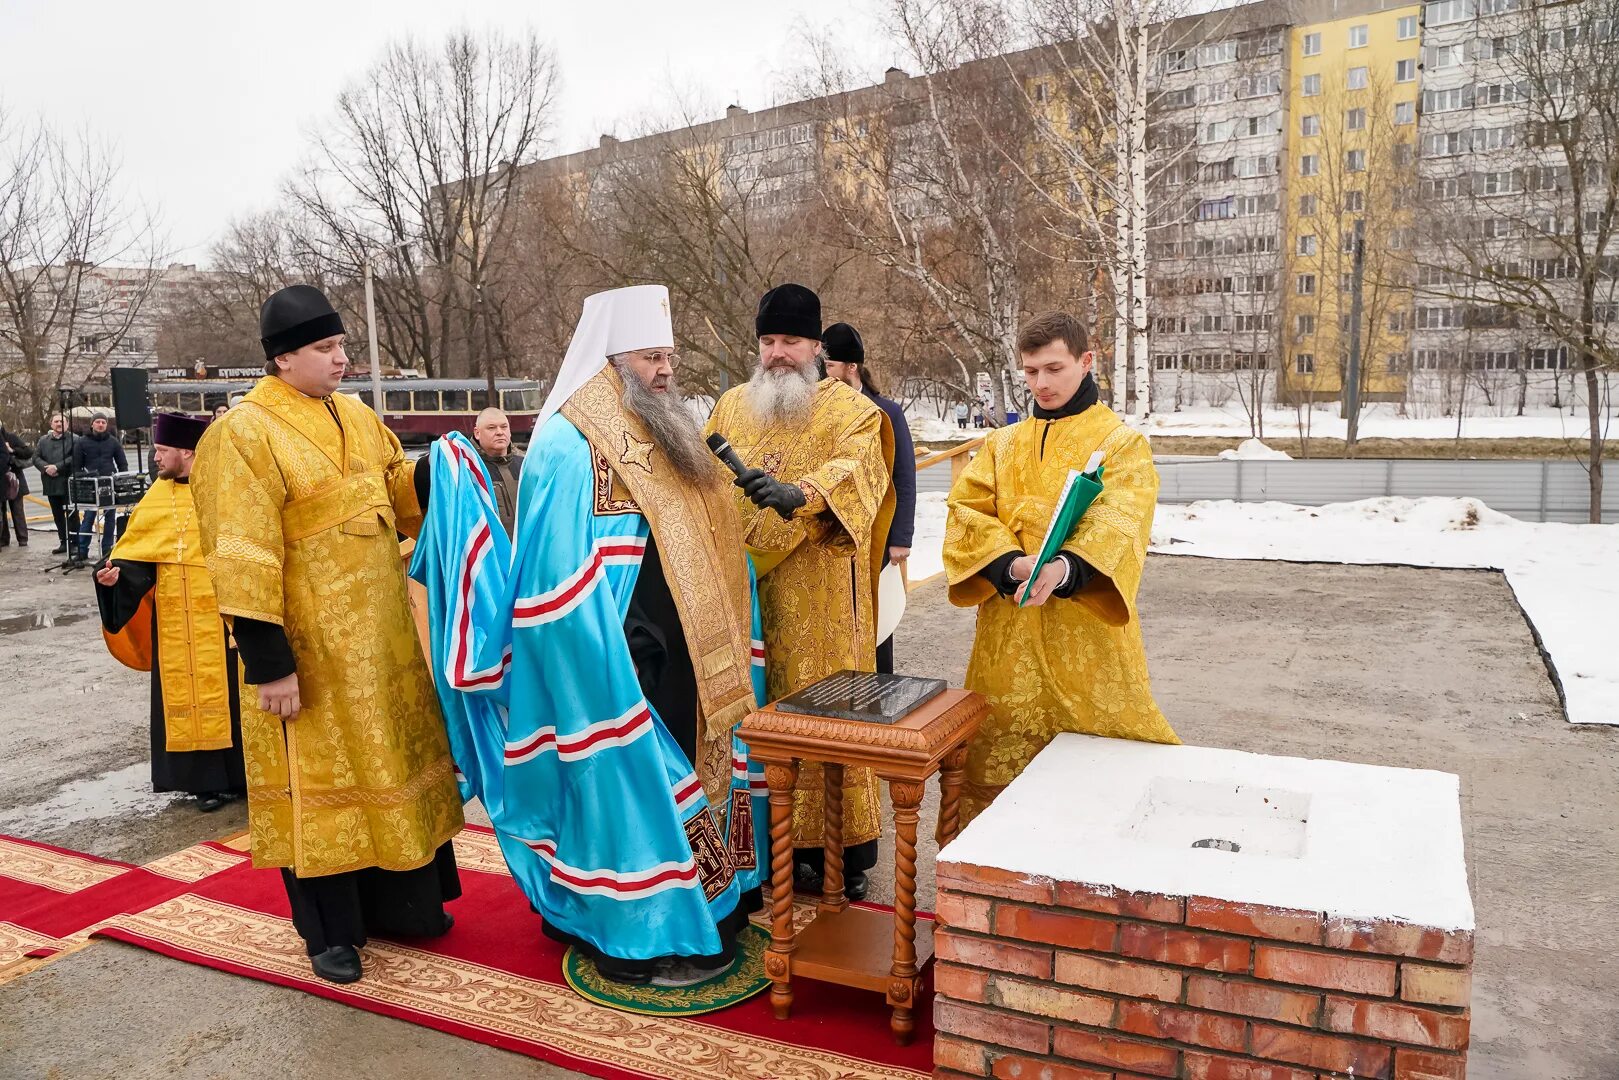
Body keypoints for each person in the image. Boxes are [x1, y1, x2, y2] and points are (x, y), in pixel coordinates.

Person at [416, 284, 767, 987]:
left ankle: (710, 910)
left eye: (669, 354)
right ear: (609, 359)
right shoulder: (568, 438)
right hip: (613, 660)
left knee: (686, 779)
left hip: (691, 654)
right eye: (650, 356)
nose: (665, 369)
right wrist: (616, 651)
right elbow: (557, 573)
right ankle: (630, 935)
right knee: (621, 796)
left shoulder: (669, 426)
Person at [190, 284, 463, 985]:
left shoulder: (356, 415)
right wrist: (268, 662)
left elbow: (396, 492)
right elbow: (240, 551)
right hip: (308, 650)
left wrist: (439, 473)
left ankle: (402, 906)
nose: (343, 359)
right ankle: (329, 933)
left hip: (381, 640)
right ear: (284, 359)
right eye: (327, 348)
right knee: (320, 785)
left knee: (387, 766)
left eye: (342, 345)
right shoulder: (242, 432)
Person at [942, 311, 1179, 827]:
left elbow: (1122, 518)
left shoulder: (1119, 443)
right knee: (997, 771)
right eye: (1030, 372)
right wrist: (1007, 564)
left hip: (1086, 636)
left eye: (1054, 368)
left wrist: (1068, 567)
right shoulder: (1001, 445)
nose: (1041, 384)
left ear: (1085, 361)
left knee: (1102, 774)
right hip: (1009, 633)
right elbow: (967, 512)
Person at [706, 284, 895, 902]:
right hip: (749, 598)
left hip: (822, 599)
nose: (777, 354)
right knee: (756, 718)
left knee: (825, 716)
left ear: (816, 345)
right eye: (767, 342)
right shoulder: (731, 407)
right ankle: (758, 844)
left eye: (789, 341)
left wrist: (802, 493)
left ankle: (841, 853)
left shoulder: (851, 412)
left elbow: (861, 471)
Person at [95, 413, 245, 813]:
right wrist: (116, 579)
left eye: (161, 451)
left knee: (233, 697)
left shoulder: (225, 492)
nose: (155, 458)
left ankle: (241, 776)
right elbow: (136, 560)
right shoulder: (156, 497)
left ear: (187, 451)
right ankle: (202, 782)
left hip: (224, 620)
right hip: (177, 624)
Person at [822, 322, 916, 674]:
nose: (824, 374)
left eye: (830, 366)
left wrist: (901, 539)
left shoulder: (887, 412)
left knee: (878, 623)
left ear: (851, 368)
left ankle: (880, 690)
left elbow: (904, 479)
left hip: (876, 536)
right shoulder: (819, 410)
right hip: (833, 535)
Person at [71, 415, 127, 565]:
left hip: (109, 483)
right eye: (98, 422)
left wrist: (121, 480)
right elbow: (76, 467)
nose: (101, 424)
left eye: (103, 422)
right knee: (88, 518)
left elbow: (122, 464)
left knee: (110, 518)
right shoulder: (82, 442)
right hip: (91, 484)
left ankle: (107, 549)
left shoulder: (113, 441)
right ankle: (82, 550)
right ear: (92, 424)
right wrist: (85, 476)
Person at [469, 406, 523, 537]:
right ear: (477, 433)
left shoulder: (525, 466)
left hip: (525, 551)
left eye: (504, 427)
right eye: (491, 428)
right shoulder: (469, 469)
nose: (499, 432)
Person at [34, 414, 76, 554]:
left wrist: (57, 467)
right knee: (57, 515)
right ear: (51, 424)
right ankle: (63, 542)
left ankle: (75, 543)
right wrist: (47, 468)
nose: (59, 424)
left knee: (72, 514)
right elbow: (36, 457)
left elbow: (74, 457)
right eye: (56, 421)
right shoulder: (43, 441)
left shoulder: (75, 439)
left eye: (62, 421)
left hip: (67, 482)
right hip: (50, 482)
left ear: (67, 424)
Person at [0, 424, 32, 549]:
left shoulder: (11, 437)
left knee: (17, 510)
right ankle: (4, 539)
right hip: (1, 479)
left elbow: (28, 452)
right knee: (2, 511)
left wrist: (12, 450)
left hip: (15, 479)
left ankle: (22, 539)